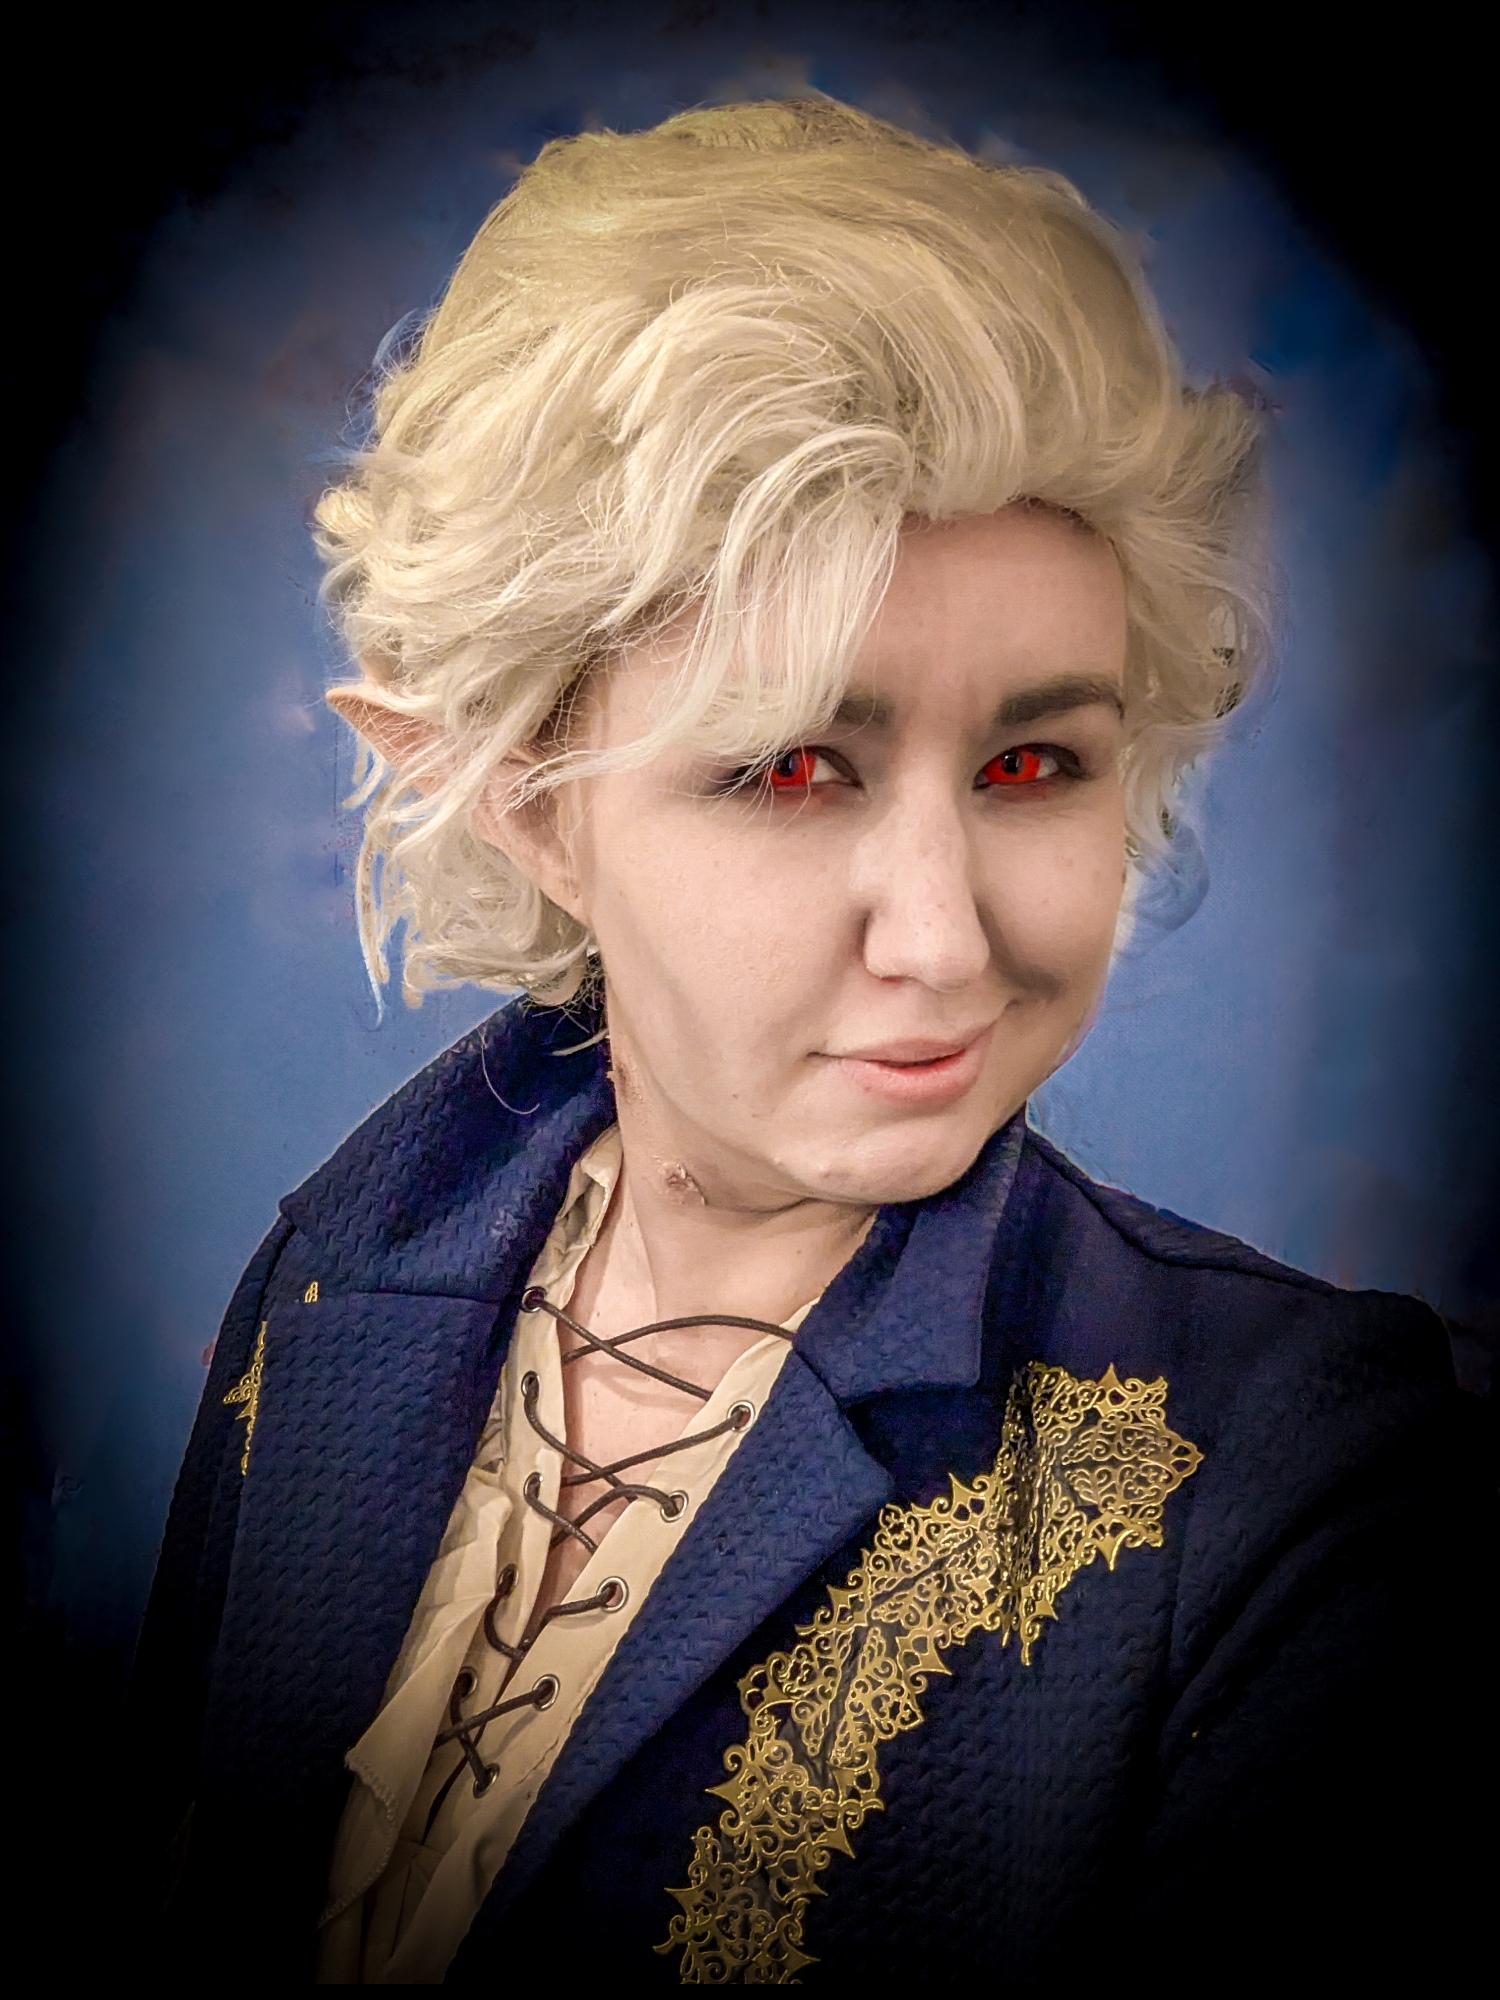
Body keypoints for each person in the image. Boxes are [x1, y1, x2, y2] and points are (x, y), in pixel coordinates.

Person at [128, 99, 1484, 1985]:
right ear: (527, 803)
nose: (942, 939)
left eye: (1034, 764)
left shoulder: (1299, 1488)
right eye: (788, 770)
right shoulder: (333, 1274)